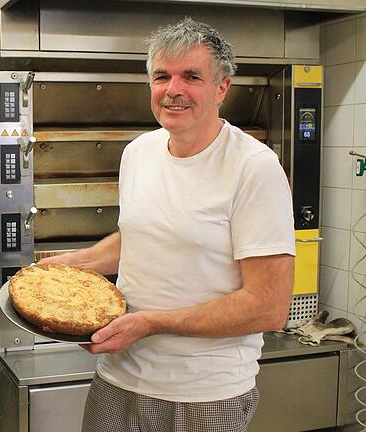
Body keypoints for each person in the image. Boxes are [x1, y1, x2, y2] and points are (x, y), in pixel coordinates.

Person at [39, 18, 295, 432]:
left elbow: (269, 305)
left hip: (204, 393)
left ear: (221, 88)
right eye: (162, 76)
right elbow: (143, 236)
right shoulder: (140, 151)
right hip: (117, 376)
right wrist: (69, 266)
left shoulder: (254, 168)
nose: (173, 90)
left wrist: (151, 322)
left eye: (191, 76)